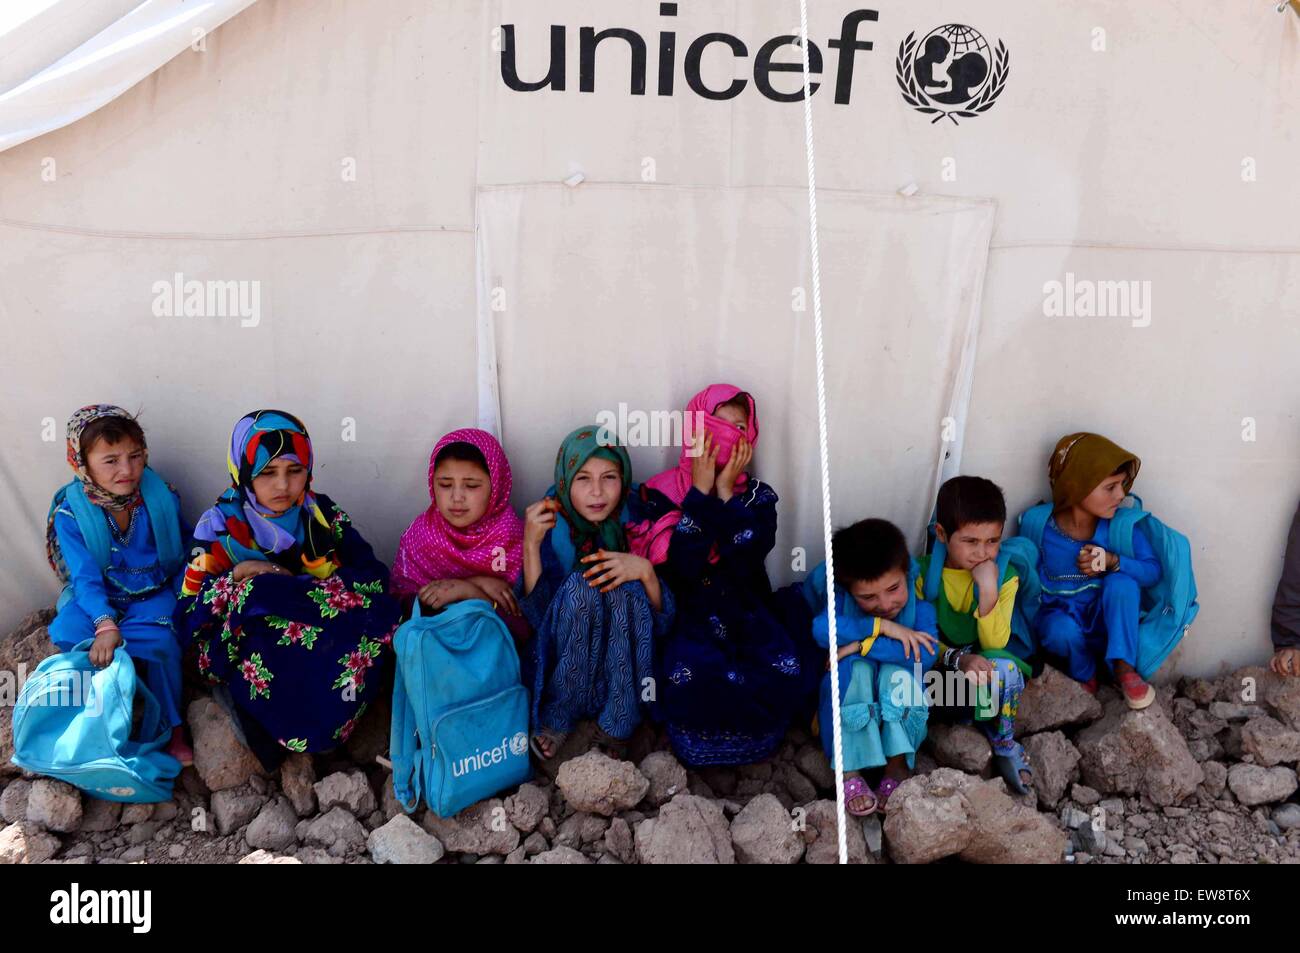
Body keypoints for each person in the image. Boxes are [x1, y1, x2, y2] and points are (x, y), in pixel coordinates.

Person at [176, 409, 400, 767]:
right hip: (251, 637)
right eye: (266, 473)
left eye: (294, 470)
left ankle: (328, 731)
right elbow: (188, 610)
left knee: (384, 616)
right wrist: (240, 578)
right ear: (243, 471)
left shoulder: (321, 514)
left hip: (321, 624)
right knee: (260, 595)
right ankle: (280, 725)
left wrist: (299, 592)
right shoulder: (218, 528)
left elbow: (373, 575)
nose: (282, 485)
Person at [642, 384, 816, 766]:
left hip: (747, 604)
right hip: (688, 609)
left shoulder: (758, 497)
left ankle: (757, 743)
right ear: (693, 429)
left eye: (739, 427)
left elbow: (745, 560)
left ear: (750, 439)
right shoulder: (659, 492)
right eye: (714, 425)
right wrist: (700, 494)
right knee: (692, 672)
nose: (727, 435)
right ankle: (696, 743)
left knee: (781, 666)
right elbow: (681, 569)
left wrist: (724, 494)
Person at [45, 405, 192, 763]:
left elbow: (184, 552)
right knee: (67, 631)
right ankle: (91, 726)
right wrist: (105, 624)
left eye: (135, 456)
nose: (127, 470)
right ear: (82, 463)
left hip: (151, 594)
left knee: (162, 643)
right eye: (110, 461)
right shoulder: (71, 513)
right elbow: (84, 577)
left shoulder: (160, 497)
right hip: (97, 598)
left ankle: (171, 729)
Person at [518, 425, 674, 761]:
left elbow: (664, 622)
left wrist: (644, 572)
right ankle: (561, 713)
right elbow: (538, 618)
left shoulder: (642, 517)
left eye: (609, 477)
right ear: (565, 480)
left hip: (624, 664)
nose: (597, 492)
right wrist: (530, 544)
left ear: (625, 477)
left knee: (624, 585)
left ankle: (619, 718)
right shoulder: (550, 521)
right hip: (569, 662)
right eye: (583, 478)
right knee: (579, 585)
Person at [801, 518, 937, 815]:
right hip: (857, 696)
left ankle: (897, 767)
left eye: (893, 588)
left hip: (892, 695)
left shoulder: (921, 609)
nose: (885, 603)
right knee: (855, 670)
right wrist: (882, 627)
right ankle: (849, 772)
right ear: (850, 592)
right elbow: (822, 629)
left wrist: (865, 645)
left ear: (907, 573)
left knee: (896, 675)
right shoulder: (844, 603)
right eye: (869, 597)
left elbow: (924, 656)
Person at [1033, 432, 1162, 709]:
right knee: (1058, 628)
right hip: (1064, 631)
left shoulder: (1121, 527)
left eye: (1122, 485)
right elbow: (1027, 585)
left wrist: (1114, 562)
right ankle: (1085, 673)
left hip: (1108, 626)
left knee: (1122, 584)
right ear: (1077, 486)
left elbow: (1153, 572)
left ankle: (1124, 668)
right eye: (1110, 487)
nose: (1121, 495)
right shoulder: (1039, 527)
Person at [390, 428, 527, 645]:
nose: (456, 497)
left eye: (471, 486)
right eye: (445, 485)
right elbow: (402, 607)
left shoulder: (510, 537)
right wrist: (472, 585)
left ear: (496, 485)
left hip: (495, 659)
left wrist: (469, 592)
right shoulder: (421, 535)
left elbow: (525, 629)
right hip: (432, 655)